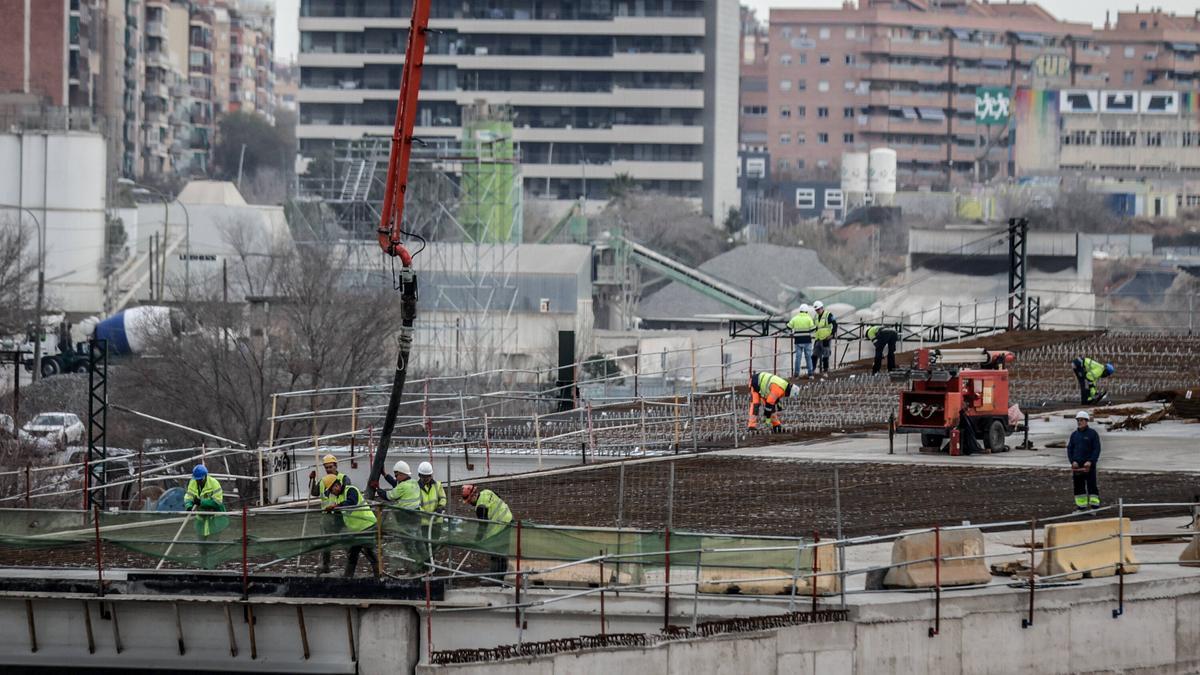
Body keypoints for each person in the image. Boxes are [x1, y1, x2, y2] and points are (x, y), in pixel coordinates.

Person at [325, 479, 379, 577]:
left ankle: (379, 577)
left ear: (337, 485)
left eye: (331, 490)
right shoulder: (338, 499)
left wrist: (336, 506)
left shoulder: (351, 490)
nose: (332, 493)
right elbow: (339, 520)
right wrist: (333, 530)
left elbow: (351, 503)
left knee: (368, 551)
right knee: (353, 554)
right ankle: (348, 578)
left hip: (368, 526)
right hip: (357, 531)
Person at [309, 454, 350, 574]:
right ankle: (325, 565)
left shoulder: (343, 479)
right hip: (326, 517)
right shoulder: (322, 481)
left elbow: (348, 494)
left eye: (330, 467)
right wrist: (312, 480)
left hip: (340, 516)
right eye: (326, 467)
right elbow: (314, 493)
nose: (328, 469)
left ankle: (350, 564)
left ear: (336, 466)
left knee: (345, 540)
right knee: (326, 542)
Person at [461, 484, 512, 578]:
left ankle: (497, 578)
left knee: (496, 552)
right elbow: (498, 498)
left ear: (473, 496)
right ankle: (498, 576)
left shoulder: (480, 507)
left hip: (500, 526)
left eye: (469, 501)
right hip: (508, 518)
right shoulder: (487, 492)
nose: (470, 503)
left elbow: (483, 526)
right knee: (501, 552)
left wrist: (477, 540)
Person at [184, 465, 228, 568]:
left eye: (200, 479)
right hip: (201, 520)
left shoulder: (214, 483)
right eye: (197, 479)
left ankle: (212, 567)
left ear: (205, 476)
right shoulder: (193, 482)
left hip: (215, 519)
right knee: (201, 546)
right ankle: (203, 567)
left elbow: (217, 503)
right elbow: (188, 496)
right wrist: (189, 506)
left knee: (212, 545)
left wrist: (201, 502)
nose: (198, 481)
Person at [1067, 410, 1102, 511]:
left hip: (1089, 466)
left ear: (1086, 421)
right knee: (1078, 487)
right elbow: (1070, 449)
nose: (1079, 422)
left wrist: (1091, 461)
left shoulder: (1092, 434)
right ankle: (1081, 507)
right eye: (1078, 420)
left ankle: (1095, 507)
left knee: (1092, 486)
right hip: (1077, 467)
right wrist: (1072, 461)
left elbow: (1096, 449)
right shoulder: (1074, 435)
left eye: (1081, 420)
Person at [787, 304, 816, 378]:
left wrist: (793, 331)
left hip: (798, 341)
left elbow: (788, 326)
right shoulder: (808, 318)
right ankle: (810, 374)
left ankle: (796, 374)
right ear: (806, 311)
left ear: (800, 310)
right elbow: (813, 328)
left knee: (798, 358)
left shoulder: (795, 318)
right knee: (808, 357)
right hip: (807, 340)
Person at [812, 301, 837, 374]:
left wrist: (832, 334)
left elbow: (835, 325)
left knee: (825, 355)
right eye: (816, 310)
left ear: (822, 308)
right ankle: (812, 370)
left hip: (826, 338)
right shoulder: (816, 316)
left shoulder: (828, 315)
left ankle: (825, 370)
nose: (817, 311)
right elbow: (815, 326)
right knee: (814, 355)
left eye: (818, 309)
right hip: (818, 339)